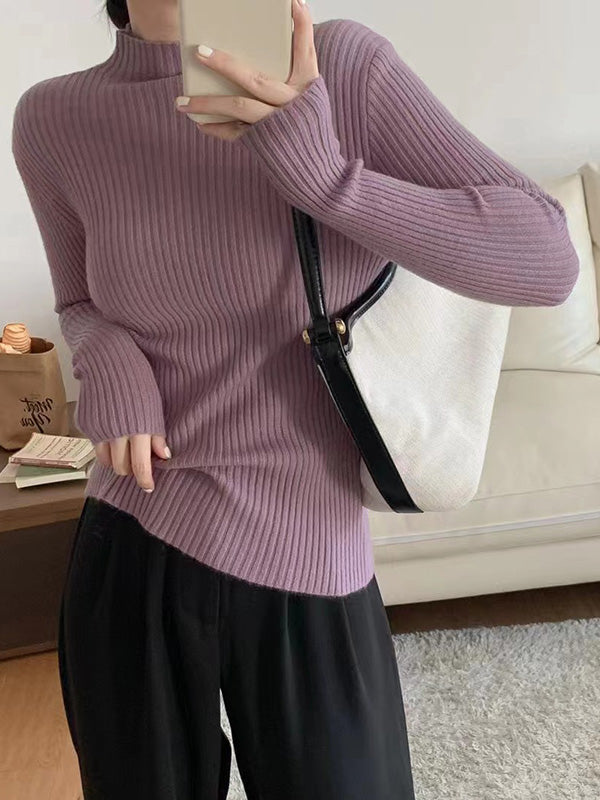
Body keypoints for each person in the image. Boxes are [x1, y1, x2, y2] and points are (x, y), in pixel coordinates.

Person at [11, 0, 579, 797]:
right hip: (133, 533)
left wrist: (328, 180)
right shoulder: (53, 118)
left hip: (308, 554)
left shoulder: (338, 69)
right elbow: (77, 302)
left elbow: (546, 259)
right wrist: (107, 358)